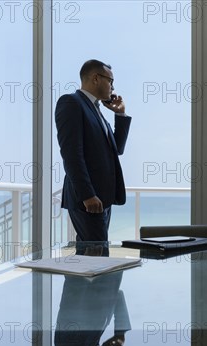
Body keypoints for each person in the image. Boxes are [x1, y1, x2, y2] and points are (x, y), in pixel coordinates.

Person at [56, 59, 132, 242]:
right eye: (110, 81)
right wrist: (87, 195)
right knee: (96, 256)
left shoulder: (96, 110)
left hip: (101, 198)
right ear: (96, 78)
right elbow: (71, 154)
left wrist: (120, 114)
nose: (113, 87)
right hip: (88, 199)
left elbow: (117, 150)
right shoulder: (71, 103)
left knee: (92, 256)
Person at [54, 270, 130, 346]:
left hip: (89, 265)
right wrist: (120, 333)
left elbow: (76, 296)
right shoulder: (96, 337)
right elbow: (117, 295)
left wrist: (87, 266)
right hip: (108, 265)